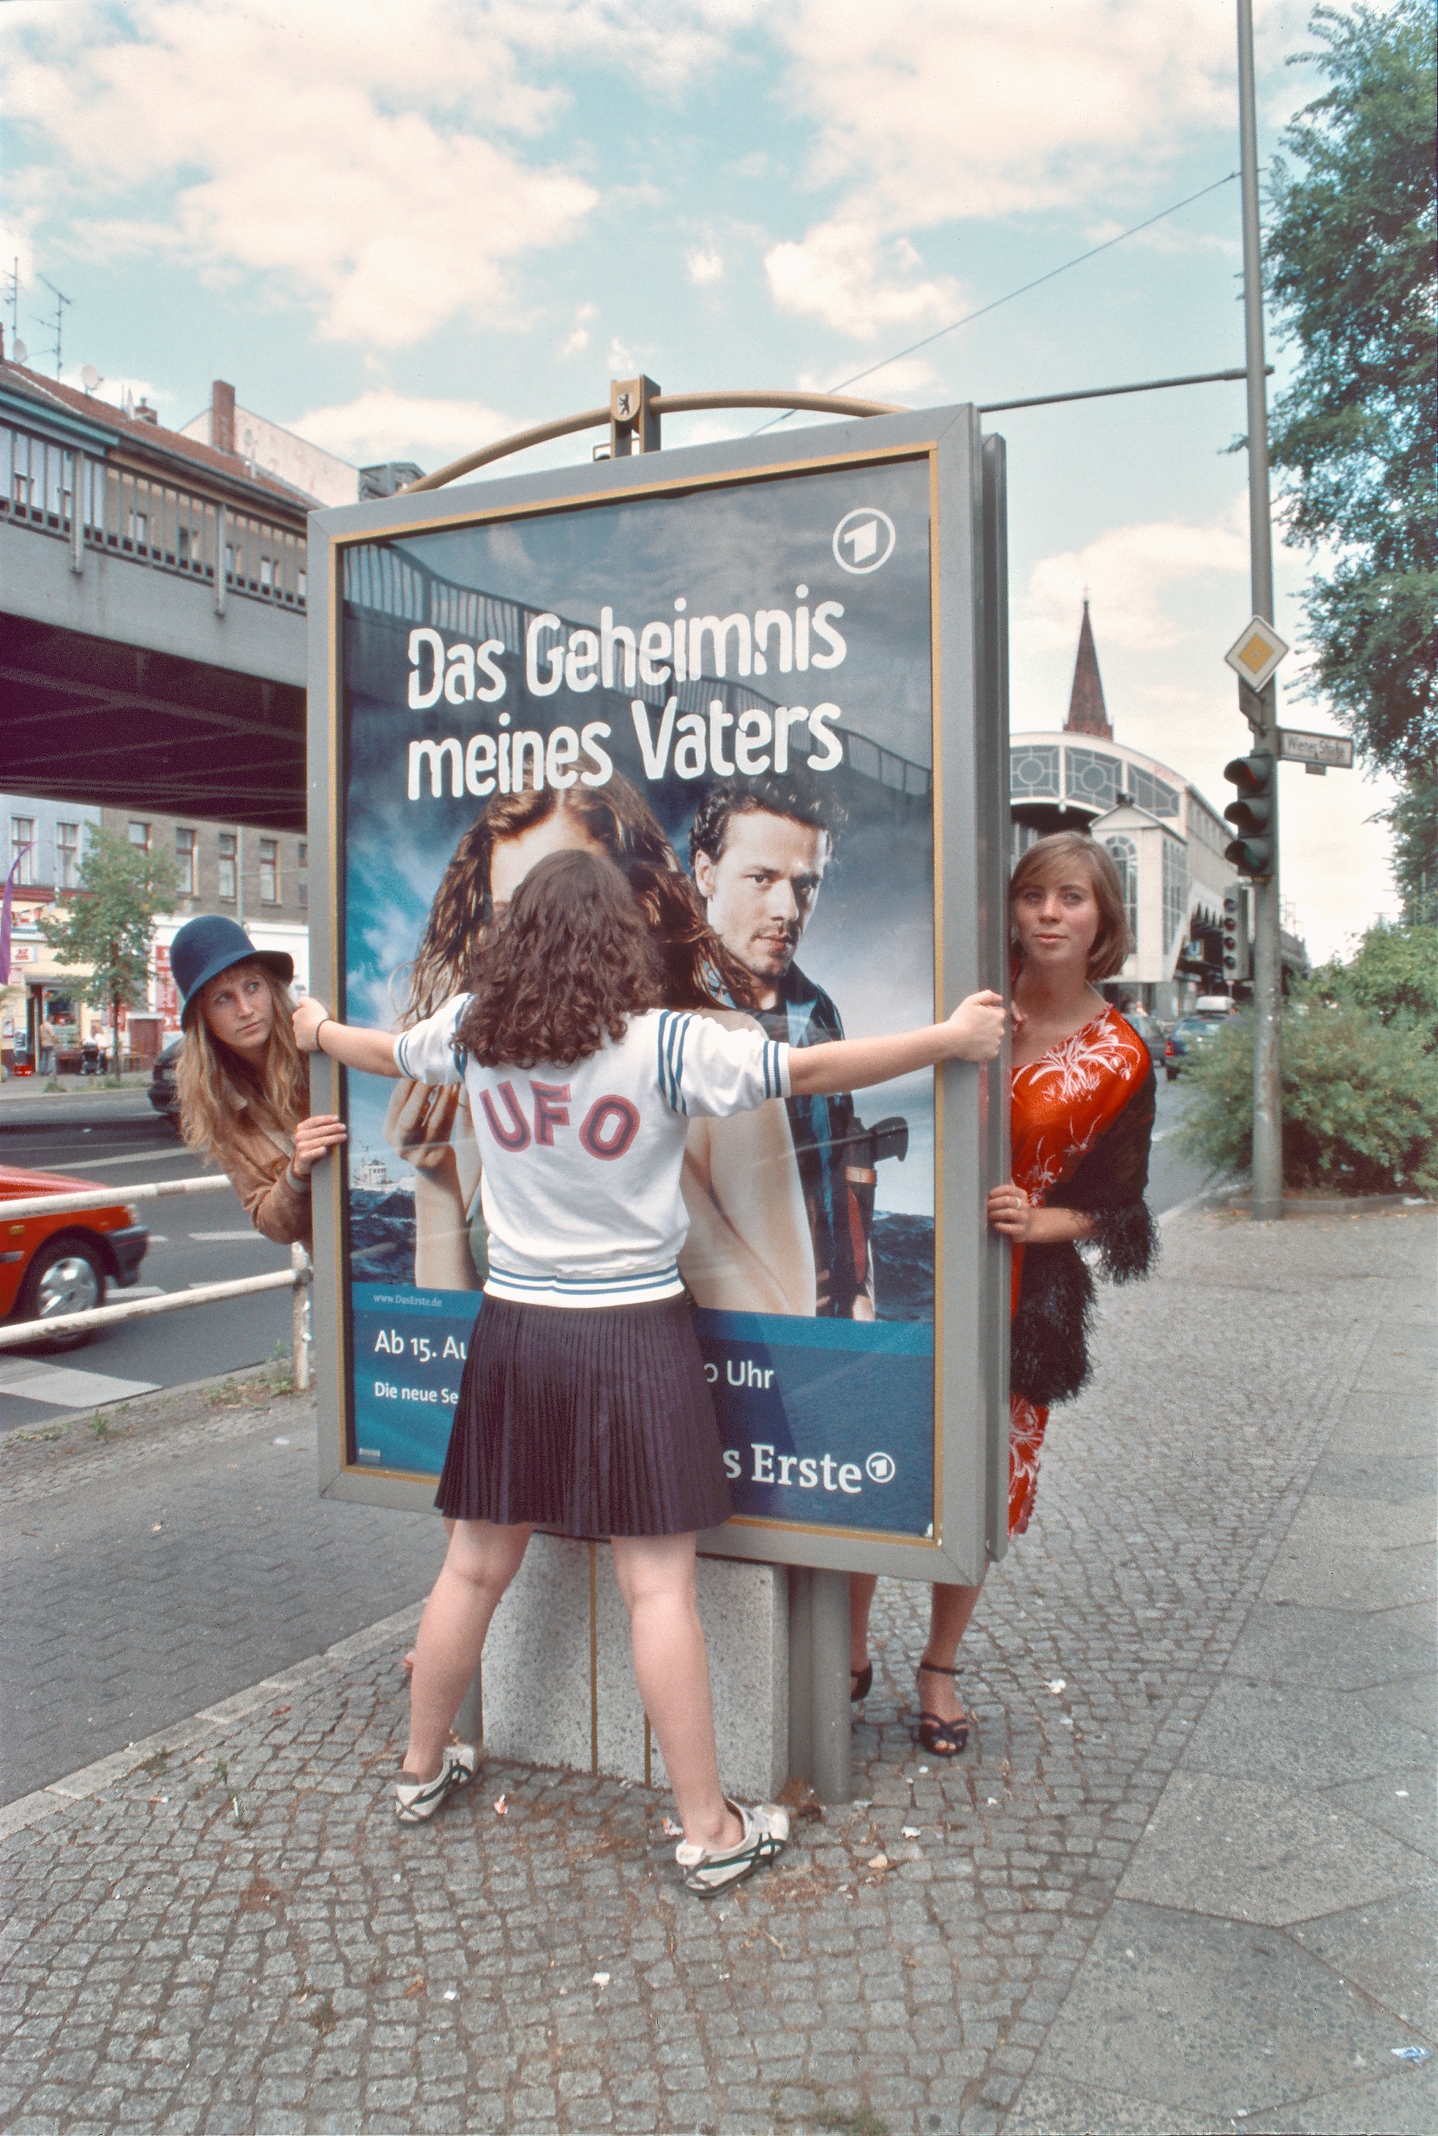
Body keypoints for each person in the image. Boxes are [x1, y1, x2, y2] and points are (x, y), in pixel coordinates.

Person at [294, 847, 1006, 1893]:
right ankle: (706, 1828)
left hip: (514, 1330)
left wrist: (313, 1033)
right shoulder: (665, 1047)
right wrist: (949, 1039)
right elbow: (808, 1070)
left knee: (471, 1567)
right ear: (622, 941)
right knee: (658, 1585)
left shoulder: (477, 1033)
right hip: (631, 1331)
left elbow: (385, 1050)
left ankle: (416, 1767)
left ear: (521, 938)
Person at [849, 831, 1156, 1753]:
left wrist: (1038, 1219)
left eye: (1072, 898)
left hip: (1024, 1296)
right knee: (880, 1455)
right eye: (1034, 897)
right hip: (908, 1267)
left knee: (987, 1484)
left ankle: (938, 1667)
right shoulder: (967, 996)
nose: (1050, 915)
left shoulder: (1122, 1054)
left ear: (1102, 918)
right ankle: (852, 1648)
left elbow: (1122, 1214)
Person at [387, 776, 814, 1316]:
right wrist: (435, 1180)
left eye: (568, 904)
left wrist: (646, 1152)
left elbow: (788, 1324)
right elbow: (458, 1330)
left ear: (639, 903)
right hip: (526, 1375)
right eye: (509, 915)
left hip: (649, 1379)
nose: (537, 940)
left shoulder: (713, 1047)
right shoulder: (488, 1058)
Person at [690, 777, 877, 1321]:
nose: (788, 910)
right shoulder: (660, 1002)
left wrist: (858, 1287)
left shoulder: (819, 1011)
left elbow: (840, 1153)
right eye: (761, 878)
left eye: (805, 885)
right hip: (702, 1314)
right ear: (706, 873)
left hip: (814, 1311)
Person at [170, 915, 347, 1245]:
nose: (245, 1008)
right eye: (223, 998)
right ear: (202, 1017)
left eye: (252, 987)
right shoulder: (220, 1105)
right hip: (332, 1272)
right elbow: (273, 1224)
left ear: (270, 988)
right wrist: (298, 1171)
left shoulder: (319, 1044)